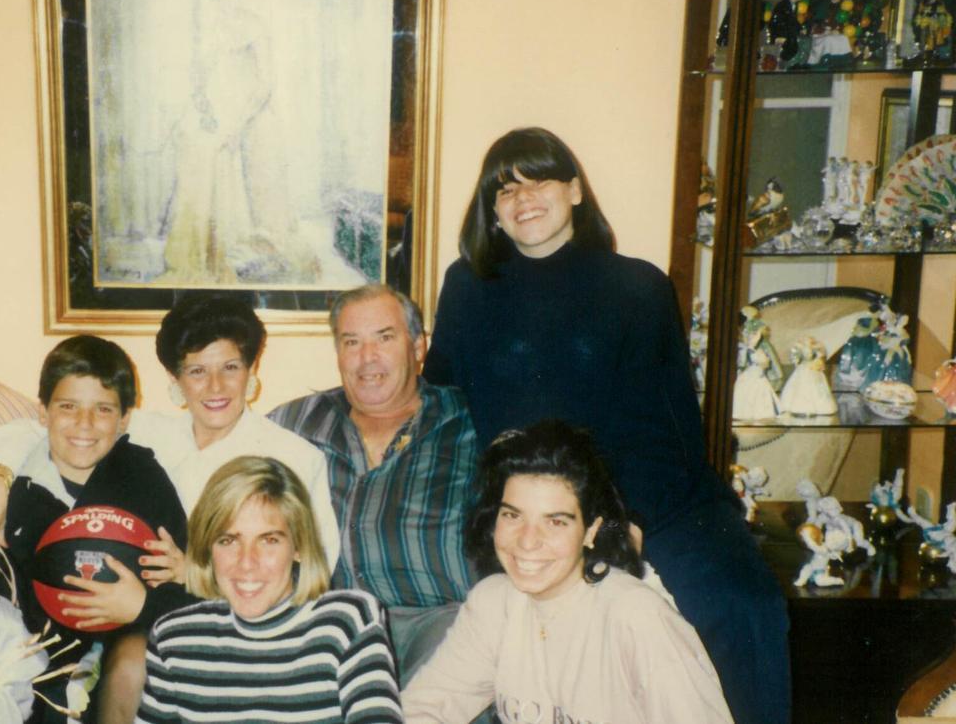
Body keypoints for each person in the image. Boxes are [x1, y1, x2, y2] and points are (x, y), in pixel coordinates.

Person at [422, 128, 789, 724]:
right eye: (505, 189)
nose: (524, 198)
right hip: (533, 500)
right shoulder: (467, 286)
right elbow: (439, 394)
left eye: (539, 180)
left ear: (573, 191)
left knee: (740, 604)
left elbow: (668, 428)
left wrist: (630, 522)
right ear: (491, 210)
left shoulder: (637, 286)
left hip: (646, 491)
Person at [0, 295, 338, 723]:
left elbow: (310, 579)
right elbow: (37, 427)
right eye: (197, 370)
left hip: (225, 617)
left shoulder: (294, 458)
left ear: (251, 374)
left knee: (131, 664)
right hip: (122, 609)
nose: (215, 387)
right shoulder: (150, 432)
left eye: (230, 367)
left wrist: (196, 572)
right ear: (176, 380)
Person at [402, 420, 732, 723]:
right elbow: (424, 710)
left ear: (591, 531)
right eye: (513, 516)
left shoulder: (637, 618)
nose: (528, 541)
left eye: (556, 521)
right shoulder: (494, 604)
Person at [268, 284, 480, 685]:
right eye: (352, 342)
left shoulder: (468, 422)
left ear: (418, 348)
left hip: (441, 626)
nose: (368, 358)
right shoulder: (293, 424)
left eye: (384, 338)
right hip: (323, 627)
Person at [0, 335, 193, 724]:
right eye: (68, 406)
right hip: (40, 654)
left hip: (126, 641)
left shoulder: (144, 479)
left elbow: (182, 594)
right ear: (44, 412)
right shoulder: (19, 489)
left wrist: (141, 605)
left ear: (123, 420)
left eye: (102, 409)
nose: (84, 424)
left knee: (132, 664)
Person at [138, 455, 402, 723]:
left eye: (269, 540)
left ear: (298, 546)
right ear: (207, 548)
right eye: (228, 540)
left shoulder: (347, 621)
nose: (247, 563)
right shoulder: (172, 638)